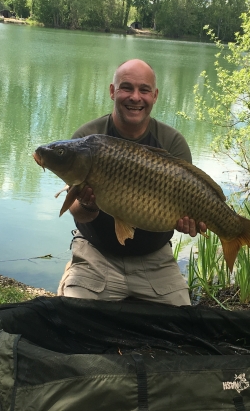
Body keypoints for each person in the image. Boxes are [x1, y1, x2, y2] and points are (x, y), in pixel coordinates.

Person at [57, 59, 206, 306]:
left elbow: (185, 209)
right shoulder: (86, 140)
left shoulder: (172, 143)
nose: (135, 97)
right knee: (73, 320)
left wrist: (186, 222)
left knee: (180, 328)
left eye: (144, 90)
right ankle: (75, 274)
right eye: (126, 88)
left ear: (155, 95)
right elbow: (77, 212)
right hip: (96, 254)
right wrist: (89, 205)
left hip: (155, 260)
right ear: (113, 91)